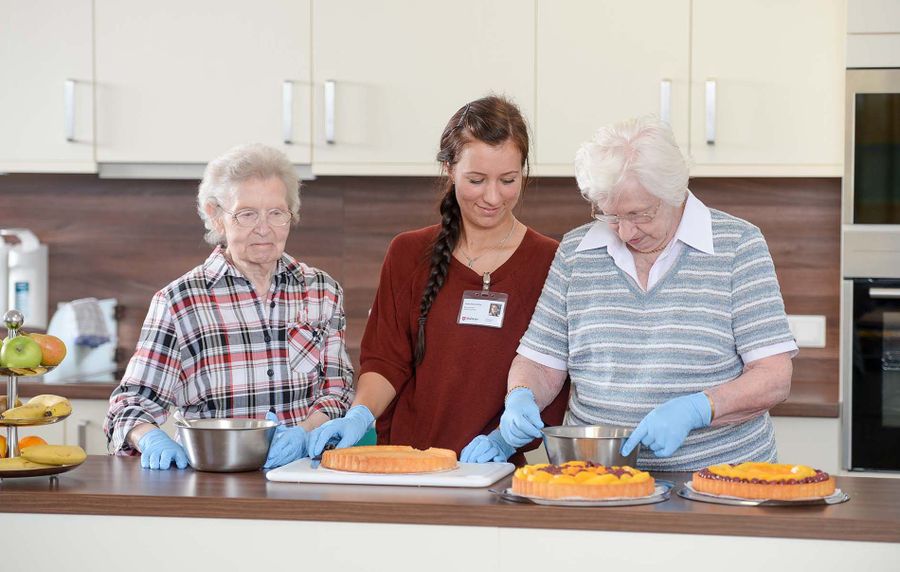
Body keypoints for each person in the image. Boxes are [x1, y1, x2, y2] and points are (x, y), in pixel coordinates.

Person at [498, 115, 798, 471]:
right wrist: (521, 396)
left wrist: (699, 408)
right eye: (610, 215)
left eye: (639, 215)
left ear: (674, 192)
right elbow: (540, 363)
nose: (625, 232)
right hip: (598, 478)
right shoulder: (576, 253)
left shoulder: (737, 246)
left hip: (720, 480)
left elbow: (773, 376)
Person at [307, 95, 568, 464]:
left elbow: (552, 375)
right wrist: (359, 415)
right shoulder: (408, 253)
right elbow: (385, 362)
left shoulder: (552, 262)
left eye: (508, 180)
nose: (493, 196)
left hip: (495, 471)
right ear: (449, 169)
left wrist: (505, 440)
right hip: (405, 467)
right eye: (476, 180)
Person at [104, 143, 354, 470]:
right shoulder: (179, 301)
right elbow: (130, 405)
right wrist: (149, 437)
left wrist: (304, 434)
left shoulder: (321, 290)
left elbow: (338, 390)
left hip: (302, 473)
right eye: (247, 214)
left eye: (276, 213)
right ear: (216, 216)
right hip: (212, 478)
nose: (264, 228)